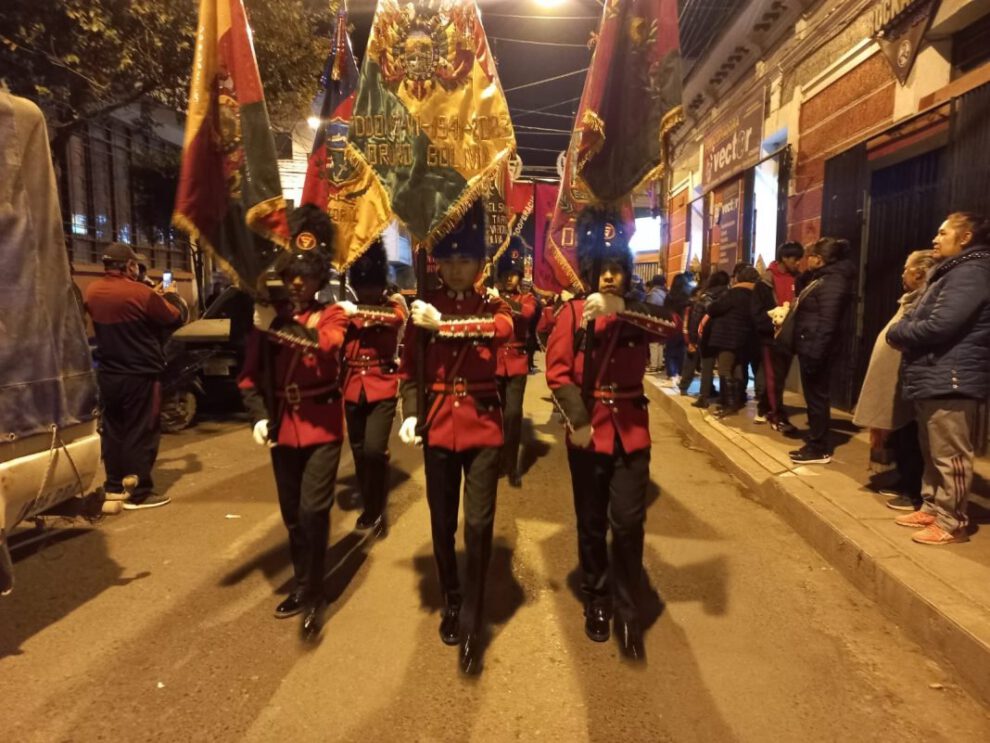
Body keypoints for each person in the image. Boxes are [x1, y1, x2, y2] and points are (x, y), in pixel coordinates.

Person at [546, 210, 679, 662]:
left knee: (628, 521)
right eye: (603, 268)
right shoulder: (571, 313)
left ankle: (627, 604)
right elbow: (558, 375)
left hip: (631, 433)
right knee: (591, 523)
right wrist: (578, 422)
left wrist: (623, 309)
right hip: (588, 434)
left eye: (617, 268)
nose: (609, 275)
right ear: (590, 271)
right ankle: (597, 598)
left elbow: (672, 326)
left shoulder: (636, 314)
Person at [397, 199, 513, 675]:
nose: (458, 269)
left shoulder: (493, 305)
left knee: (479, 524)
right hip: (440, 423)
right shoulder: (424, 306)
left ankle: (474, 609)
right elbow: (408, 369)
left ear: (480, 264)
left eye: (466, 260)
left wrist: (443, 325)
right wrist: (409, 411)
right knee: (442, 522)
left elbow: (503, 330)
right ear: (438, 264)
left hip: (483, 425)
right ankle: (451, 596)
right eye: (450, 260)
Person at [238, 205, 350, 639]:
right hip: (283, 425)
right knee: (292, 516)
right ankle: (305, 580)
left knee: (313, 509)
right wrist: (259, 416)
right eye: (292, 275)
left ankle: (312, 588)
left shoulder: (333, 313)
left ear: (320, 278)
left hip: (322, 425)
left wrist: (275, 328)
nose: (299, 282)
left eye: (306, 275)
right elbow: (249, 375)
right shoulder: (268, 318)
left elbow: (326, 345)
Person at [887, 212, 990, 545]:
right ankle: (932, 506)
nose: (935, 238)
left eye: (943, 232)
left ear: (965, 238)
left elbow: (939, 325)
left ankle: (952, 521)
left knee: (951, 455)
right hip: (935, 372)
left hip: (953, 376)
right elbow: (921, 317)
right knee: (932, 450)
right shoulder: (950, 271)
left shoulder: (971, 273)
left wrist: (898, 331)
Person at [84, 242, 185, 510]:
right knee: (142, 429)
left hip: (108, 373)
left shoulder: (92, 292)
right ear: (129, 266)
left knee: (114, 429)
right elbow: (174, 318)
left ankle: (114, 486)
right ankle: (139, 491)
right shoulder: (141, 293)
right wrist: (169, 296)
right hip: (140, 374)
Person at [853, 250, 936, 511]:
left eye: (907, 268)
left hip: (911, 381)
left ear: (920, 273)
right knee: (901, 435)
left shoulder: (925, 300)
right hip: (899, 381)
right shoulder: (910, 299)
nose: (903, 273)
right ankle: (904, 480)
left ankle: (914, 492)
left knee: (911, 437)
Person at [339, 239, 408, 533]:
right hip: (353, 386)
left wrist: (356, 314)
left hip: (382, 385)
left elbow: (396, 319)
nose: (368, 291)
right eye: (363, 286)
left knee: (373, 451)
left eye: (372, 285)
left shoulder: (393, 305)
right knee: (358, 452)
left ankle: (376, 507)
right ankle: (371, 507)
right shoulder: (347, 307)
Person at [789, 237, 857, 465]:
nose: (807, 260)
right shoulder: (822, 278)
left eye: (811, 256)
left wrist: (815, 353)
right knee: (813, 398)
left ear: (820, 259)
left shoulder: (833, 281)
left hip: (816, 349)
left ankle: (819, 448)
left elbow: (828, 322)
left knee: (817, 399)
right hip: (810, 345)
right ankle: (815, 441)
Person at [494, 238, 538, 487]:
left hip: (517, 362)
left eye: (515, 274)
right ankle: (497, 459)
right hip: (496, 361)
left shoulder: (527, 298)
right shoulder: (491, 295)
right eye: (507, 274)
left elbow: (527, 313)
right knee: (496, 415)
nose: (511, 279)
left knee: (512, 414)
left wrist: (501, 300)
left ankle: (511, 465)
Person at [756, 242, 803, 433]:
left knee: (779, 377)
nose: (799, 263)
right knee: (774, 377)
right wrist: (772, 326)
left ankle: (764, 407)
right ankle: (777, 415)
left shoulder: (799, 280)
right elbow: (757, 313)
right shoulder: (765, 282)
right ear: (785, 258)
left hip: (790, 337)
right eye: (795, 259)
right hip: (771, 338)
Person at [706, 264, 759, 417]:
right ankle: (737, 400)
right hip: (745, 338)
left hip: (727, 337)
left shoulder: (733, 293)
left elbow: (714, 309)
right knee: (738, 368)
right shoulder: (755, 295)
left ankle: (729, 404)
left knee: (724, 369)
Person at [688, 270, 730, 408]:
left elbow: (695, 318)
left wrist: (693, 338)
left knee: (707, 366)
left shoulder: (705, 296)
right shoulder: (729, 295)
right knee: (724, 367)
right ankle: (724, 397)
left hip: (706, 334)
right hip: (725, 335)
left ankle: (704, 397)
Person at [661, 273, 692, 388]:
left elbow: (665, 311)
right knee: (682, 351)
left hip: (672, 326)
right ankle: (680, 374)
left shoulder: (670, 296)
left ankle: (671, 375)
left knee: (670, 351)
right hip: (685, 327)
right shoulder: (688, 296)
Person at [645, 274, 667, 373]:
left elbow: (649, 309)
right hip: (665, 320)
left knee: (653, 343)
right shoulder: (666, 293)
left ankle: (654, 365)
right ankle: (659, 364)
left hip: (654, 321)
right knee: (660, 343)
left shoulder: (652, 294)